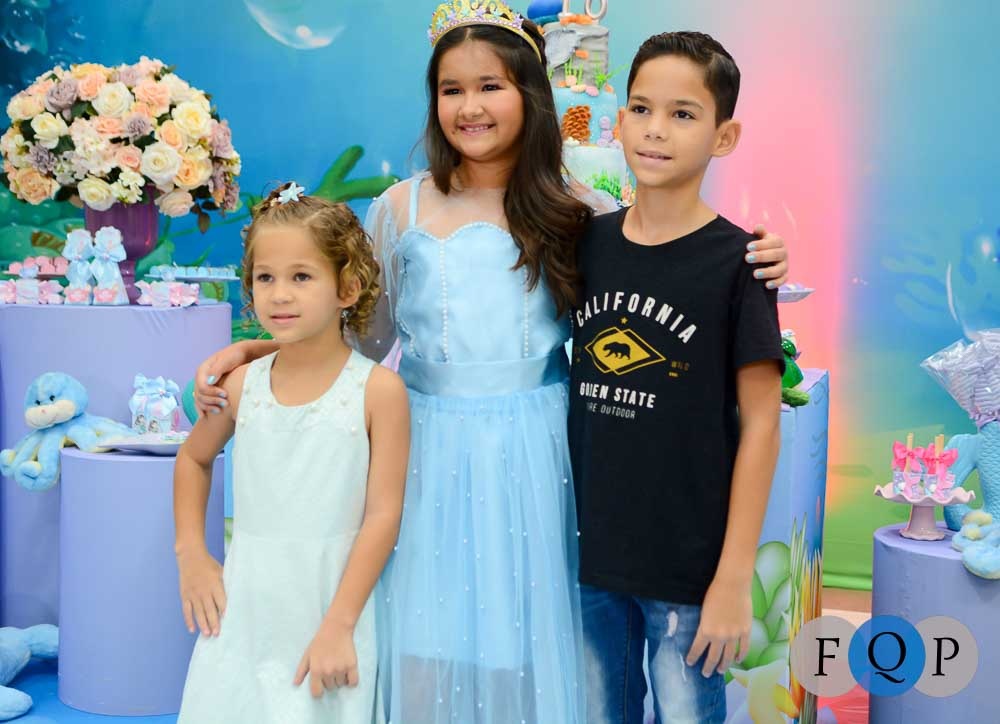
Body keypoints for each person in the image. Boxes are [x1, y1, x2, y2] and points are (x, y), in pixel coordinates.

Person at [193, 5, 789, 722]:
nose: (470, 106)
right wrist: (262, 351)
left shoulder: (576, 210)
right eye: (452, 90)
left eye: (491, 87)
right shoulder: (401, 208)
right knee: (424, 630)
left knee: (536, 635)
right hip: (424, 447)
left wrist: (759, 256)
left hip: (538, 451)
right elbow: (361, 343)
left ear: (530, 93)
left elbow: (659, 265)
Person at [569, 32, 785, 724]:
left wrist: (732, 579)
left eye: (683, 114)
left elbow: (762, 424)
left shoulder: (740, 263)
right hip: (590, 554)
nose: (656, 129)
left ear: (724, 137)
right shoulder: (585, 245)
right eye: (641, 108)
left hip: (689, 570)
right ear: (619, 120)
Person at [174, 184, 409, 723]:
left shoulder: (378, 392)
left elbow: (383, 516)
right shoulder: (241, 386)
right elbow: (193, 459)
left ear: (347, 287)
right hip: (246, 608)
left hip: (333, 606)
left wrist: (340, 624)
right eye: (265, 278)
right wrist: (191, 553)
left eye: (301, 277)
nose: (279, 295)